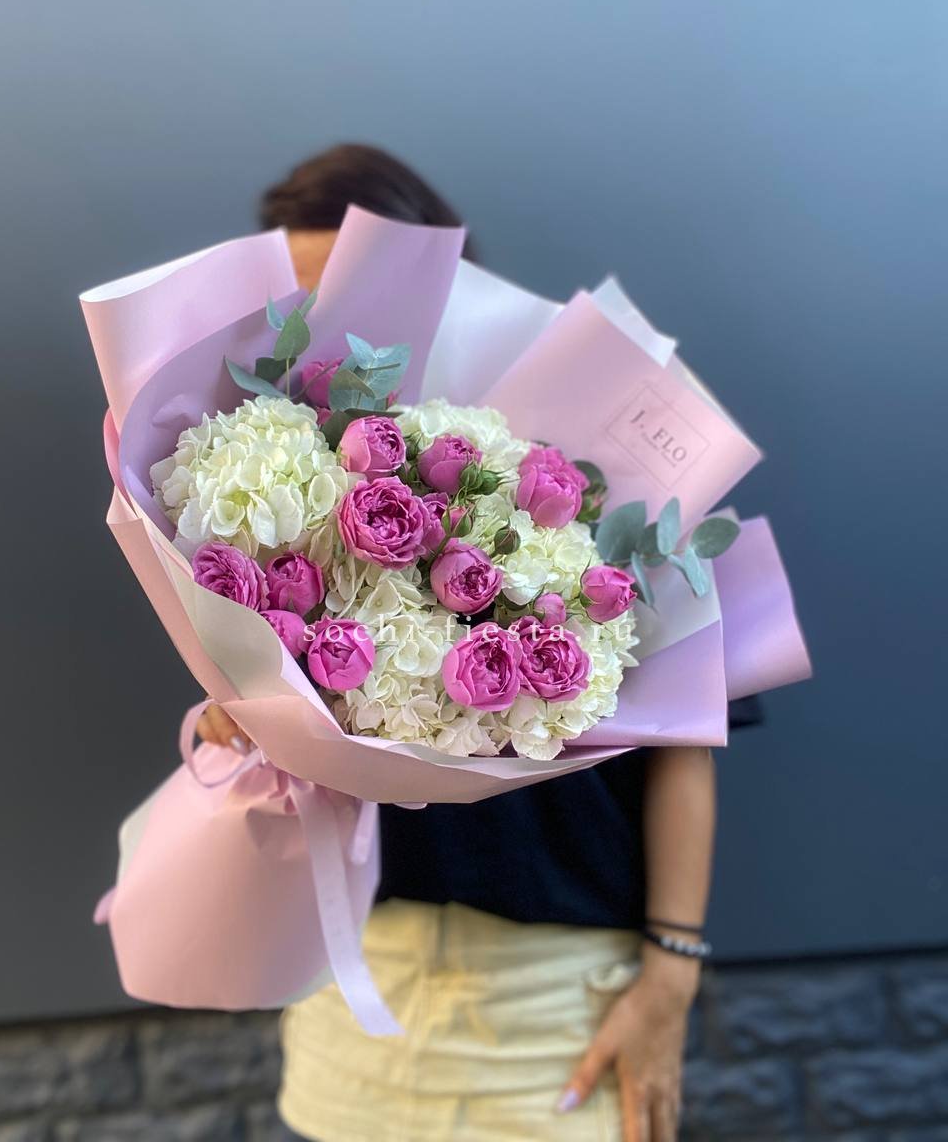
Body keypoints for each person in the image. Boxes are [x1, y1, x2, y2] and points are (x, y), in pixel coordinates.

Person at [198, 143, 757, 1142]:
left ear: (444, 276)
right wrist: (244, 721)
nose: (325, 324)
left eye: (349, 286)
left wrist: (671, 970)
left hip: (553, 998)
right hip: (355, 981)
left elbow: (687, 734)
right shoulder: (273, 489)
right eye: (298, 300)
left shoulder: (581, 448)